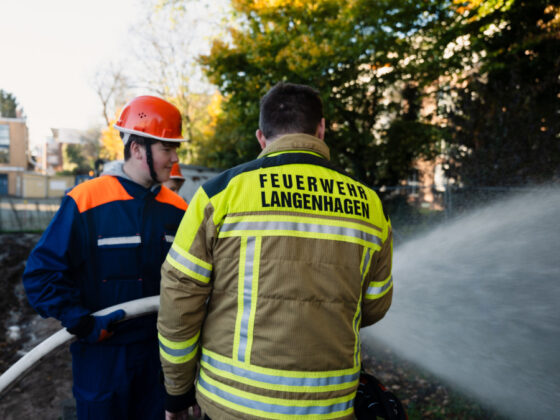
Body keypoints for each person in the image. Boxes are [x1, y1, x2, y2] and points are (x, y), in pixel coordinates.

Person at [157, 82, 393, 420]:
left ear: (260, 137)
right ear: (321, 129)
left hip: (233, 405)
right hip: (329, 408)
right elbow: (374, 307)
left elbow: (179, 304)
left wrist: (177, 393)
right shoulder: (371, 206)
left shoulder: (219, 196)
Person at [23, 95, 188, 419]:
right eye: (167, 148)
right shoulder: (86, 200)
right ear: (138, 148)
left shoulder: (179, 209)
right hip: (102, 359)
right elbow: (40, 276)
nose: (174, 157)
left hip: (161, 360)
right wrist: (82, 323)